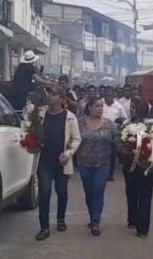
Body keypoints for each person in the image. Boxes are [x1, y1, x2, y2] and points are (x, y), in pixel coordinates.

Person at [35, 88, 81, 241]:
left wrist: (68, 153)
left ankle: (61, 219)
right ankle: (44, 227)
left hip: (62, 162)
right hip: (44, 162)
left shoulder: (70, 117)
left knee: (62, 192)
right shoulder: (41, 115)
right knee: (44, 194)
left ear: (62, 99)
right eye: (48, 94)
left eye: (53, 94)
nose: (49, 97)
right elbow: (31, 133)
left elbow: (76, 139)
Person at [76, 95, 117, 237]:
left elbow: (116, 142)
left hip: (103, 163)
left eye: (101, 106)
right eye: (97, 106)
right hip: (84, 163)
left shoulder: (109, 124)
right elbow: (73, 140)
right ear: (90, 108)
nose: (100, 109)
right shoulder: (80, 123)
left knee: (98, 191)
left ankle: (95, 222)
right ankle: (92, 215)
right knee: (89, 193)